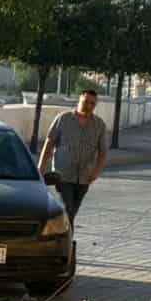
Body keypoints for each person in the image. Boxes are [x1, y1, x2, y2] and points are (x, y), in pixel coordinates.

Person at [39, 89, 109, 222]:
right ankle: (68, 241)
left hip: (84, 177)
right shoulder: (63, 119)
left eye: (92, 104)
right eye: (86, 102)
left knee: (72, 211)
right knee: (67, 209)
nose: (88, 106)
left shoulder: (99, 125)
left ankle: (65, 239)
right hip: (63, 174)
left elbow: (103, 151)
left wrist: (96, 171)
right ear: (79, 100)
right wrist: (41, 167)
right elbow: (49, 143)